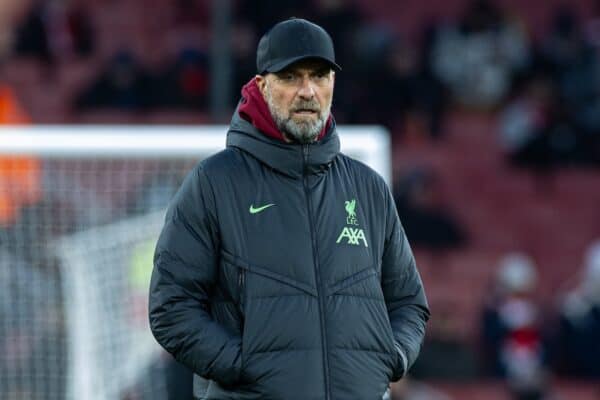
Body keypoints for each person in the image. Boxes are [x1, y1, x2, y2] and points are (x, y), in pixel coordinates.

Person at [149, 18, 430, 400]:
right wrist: (245, 368)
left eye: (319, 75)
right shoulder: (215, 182)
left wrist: (389, 359)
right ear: (263, 86)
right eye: (291, 77)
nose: (307, 91)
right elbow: (171, 307)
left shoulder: (368, 188)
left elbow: (409, 302)